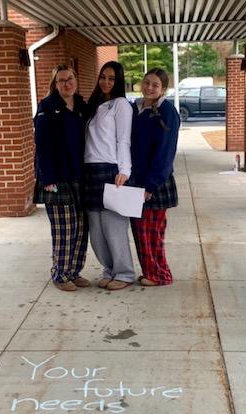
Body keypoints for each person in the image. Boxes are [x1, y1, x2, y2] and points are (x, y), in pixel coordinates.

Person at [33, 65, 90, 292]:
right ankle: (60, 274)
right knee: (65, 229)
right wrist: (47, 178)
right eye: (62, 80)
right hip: (56, 178)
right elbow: (42, 146)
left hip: (79, 176)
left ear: (76, 79)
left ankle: (74, 271)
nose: (67, 83)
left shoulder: (82, 106)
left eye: (70, 78)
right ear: (55, 84)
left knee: (81, 228)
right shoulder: (47, 107)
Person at [83, 61, 135, 291]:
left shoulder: (121, 105)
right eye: (103, 77)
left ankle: (124, 273)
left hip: (111, 170)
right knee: (96, 231)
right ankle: (109, 270)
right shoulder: (94, 105)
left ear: (119, 81)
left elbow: (123, 140)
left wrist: (125, 170)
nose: (106, 82)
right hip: (89, 170)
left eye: (111, 78)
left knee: (113, 228)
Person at [129, 68, 180, 286]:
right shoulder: (136, 108)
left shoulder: (167, 111)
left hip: (155, 184)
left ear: (163, 89)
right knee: (141, 232)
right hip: (136, 182)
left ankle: (160, 275)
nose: (149, 87)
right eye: (147, 82)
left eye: (155, 85)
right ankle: (150, 272)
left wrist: (151, 184)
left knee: (153, 233)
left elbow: (165, 152)